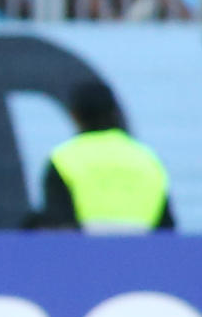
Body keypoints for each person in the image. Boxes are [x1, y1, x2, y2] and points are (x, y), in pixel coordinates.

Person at [27, 80, 174, 230]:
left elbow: (59, 228)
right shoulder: (148, 160)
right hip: (142, 252)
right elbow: (167, 231)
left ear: (74, 116)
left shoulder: (62, 160)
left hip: (85, 252)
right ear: (116, 113)